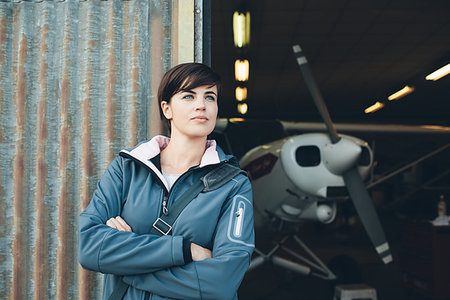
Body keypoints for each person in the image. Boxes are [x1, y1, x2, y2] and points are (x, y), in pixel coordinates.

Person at [78, 63, 255, 300]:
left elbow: (221, 283)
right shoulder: (127, 168)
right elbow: (90, 248)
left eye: (209, 97)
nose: (201, 105)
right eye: (188, 96)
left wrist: (124, 263)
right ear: (167, 108)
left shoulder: (233, 185)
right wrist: (184, 250)